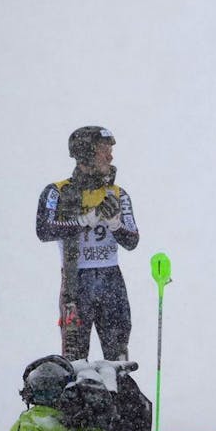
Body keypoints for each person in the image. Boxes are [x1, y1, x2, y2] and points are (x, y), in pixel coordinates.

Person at [36, 126, 140, 362]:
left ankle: (119, 395)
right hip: (76, 284)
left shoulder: (118, 193)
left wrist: (115, 225)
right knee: (75, 360)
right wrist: (84, 220)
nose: (110, 156)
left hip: (111, 281)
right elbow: (43, 230)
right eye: (104, 150)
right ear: (86, 154)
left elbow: (132, 240)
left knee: (118, 359)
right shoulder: (57, 192)